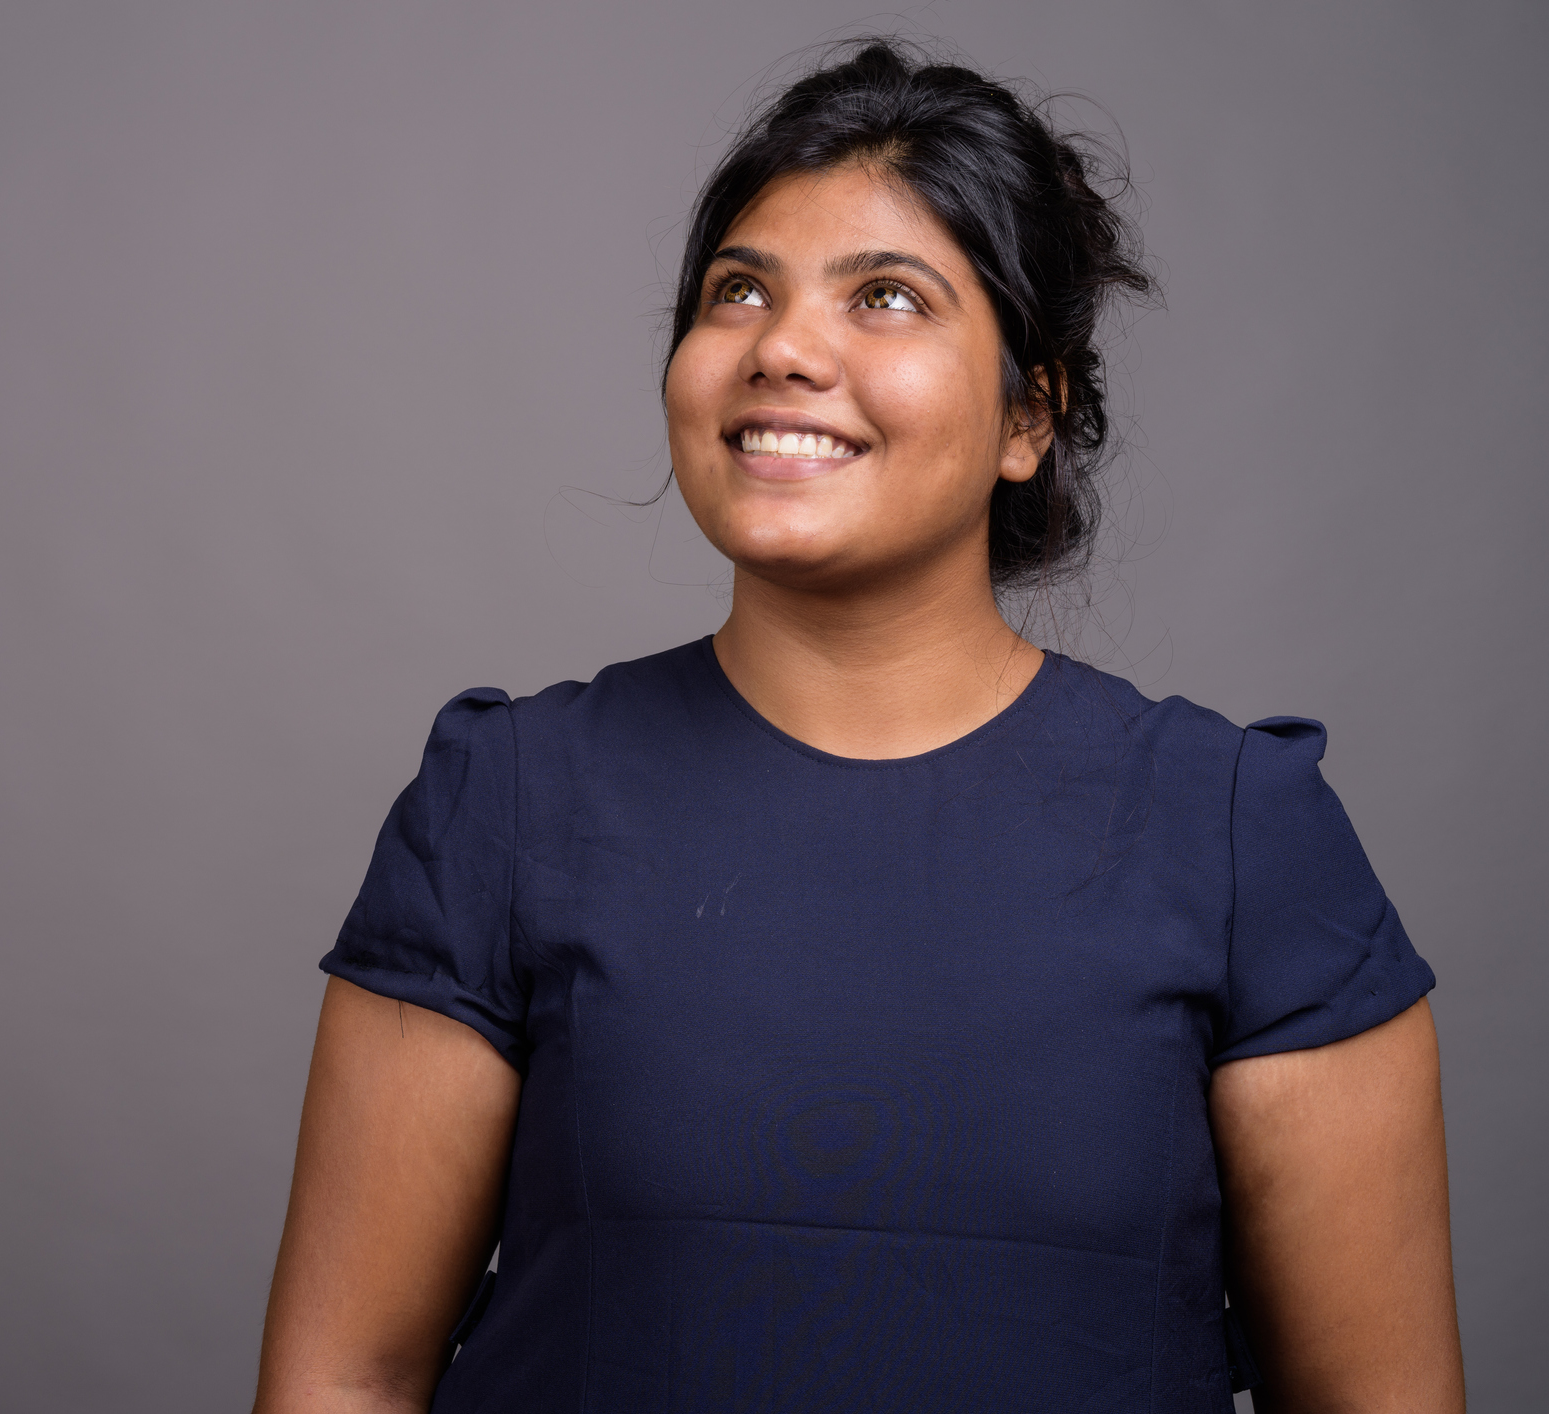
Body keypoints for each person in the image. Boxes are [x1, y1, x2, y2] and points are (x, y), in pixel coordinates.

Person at [251, 40, 1463, 1414]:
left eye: (885, 297)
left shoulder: (1244, 838)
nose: (782, 347)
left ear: (1028, 416)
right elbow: (344, 1377)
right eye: (737, 291)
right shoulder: (507, 801)